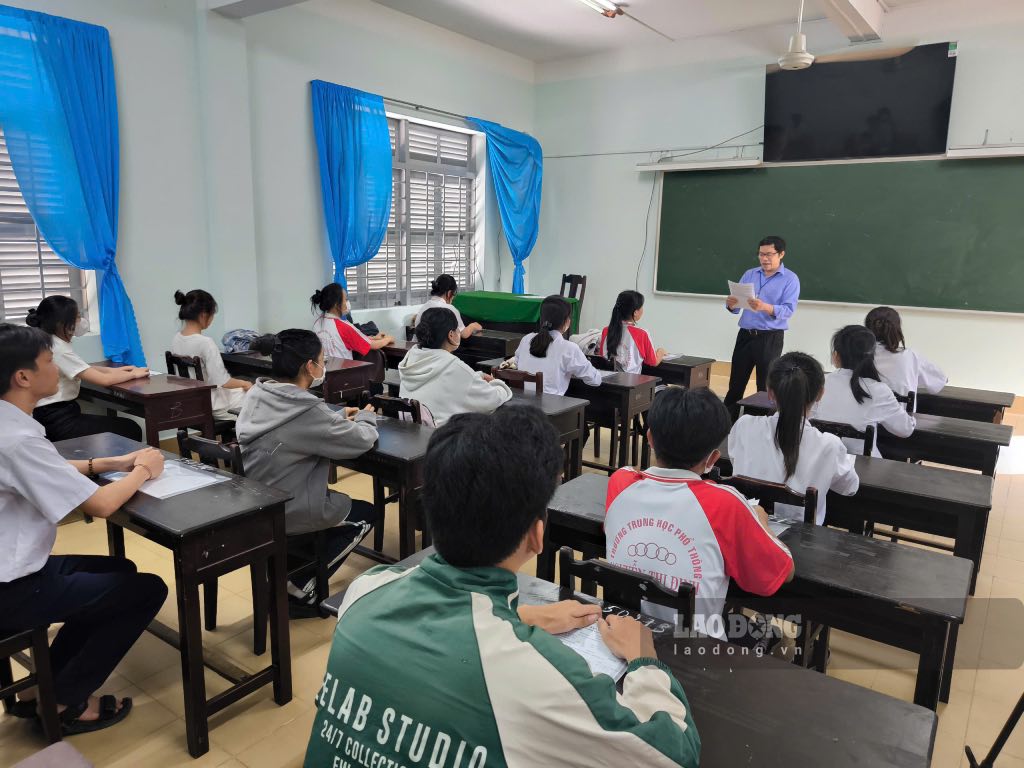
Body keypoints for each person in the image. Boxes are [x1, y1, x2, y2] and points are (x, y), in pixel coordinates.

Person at [305, 406, 701, 768]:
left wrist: (521, 616)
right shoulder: (532, 675)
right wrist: (645, 663)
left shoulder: (365, 590)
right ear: (537, 535)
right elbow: (673, 755)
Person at [0, 323, 168, 735]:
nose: (56, 369)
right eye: (47, 362)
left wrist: (108, 464)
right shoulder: (16, 438)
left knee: (118, 572)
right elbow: (102, 505)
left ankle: (40, 686)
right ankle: (63, 701)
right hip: (12, 586)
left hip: (16, 567)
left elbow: (42, 468)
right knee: (148, 590)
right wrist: (144, 470)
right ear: (23, 377)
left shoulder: (9, 424)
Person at [605, 387, 794, 641]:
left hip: (625, 635)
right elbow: (781, 573)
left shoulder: (620, 483)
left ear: (649, 438)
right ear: (713, 458)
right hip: (694, 651)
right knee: (782, 641)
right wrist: (760, 518)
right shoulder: (724, 503)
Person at [235, 329, 379, 614]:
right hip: (292, 508)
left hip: (259, 503)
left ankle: (294, 570)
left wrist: (336, 417)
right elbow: (361, 440)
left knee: (339, 503)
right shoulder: (305, 411)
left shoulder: (259, 393)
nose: (324, 367)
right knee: (366, 514)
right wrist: (366, 417)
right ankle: (302, 585)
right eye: (322, 360)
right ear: (309, 367)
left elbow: (296, 430)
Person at [729, 352, 859, 525]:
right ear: (820, 394)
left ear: (769, 392)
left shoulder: (744, 426)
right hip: (800, 541)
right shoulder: (829, 445)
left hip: (745, 527)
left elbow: (735, 461)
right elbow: (849, 488)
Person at [27, 296, 147, 442]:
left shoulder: (47, 341)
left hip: (47, 415)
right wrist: (134, 374)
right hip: (58, 420)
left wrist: (117, 371)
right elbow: (103, 380)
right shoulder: (59, 348)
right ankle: (119, 464)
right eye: (77, 318)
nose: (81, 322)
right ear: (61, 323)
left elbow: (83, 368)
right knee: (130, 428)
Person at [723, 236, 801, 420]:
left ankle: (757, 425)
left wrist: (765, 307)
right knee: (735, 384)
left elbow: (788, 310)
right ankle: (725, 423)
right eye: (761, 254)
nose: (764, 258)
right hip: (745, 336)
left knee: (764, 386)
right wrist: (731, 305)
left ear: (781, 254)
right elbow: (736, 306)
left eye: (769, 254)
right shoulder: (750, 274)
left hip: (770, 338)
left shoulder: (790, 279)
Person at [813, 325, 916, 457]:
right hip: (862, 466)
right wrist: (912, 419)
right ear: (871, 356)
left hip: (822, 459)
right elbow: (905, 430)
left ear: (836, 357)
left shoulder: (819, 382)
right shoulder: (878, 390)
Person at [399, 308, 512, 426]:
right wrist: (497, 384)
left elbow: (447, 384)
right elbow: (492, 400)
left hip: (413, 432)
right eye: (457, 328)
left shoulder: (411, 358)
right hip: (442, 438)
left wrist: (476, 376)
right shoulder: (453, 366)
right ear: (451, 334)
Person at [170, 289, 251, 419]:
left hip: (188, 402)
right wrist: (245, 383)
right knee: (256, 396)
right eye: (212, 315)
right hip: (211, 404)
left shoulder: (176, 338)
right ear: (203, 315)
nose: (212, 319)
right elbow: (223, 381)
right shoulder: (206, 343)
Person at [514, 295, 602, 396]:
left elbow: (517, 363)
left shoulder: (527, 339)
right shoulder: (569, 348)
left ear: (541, 318)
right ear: (567, 322)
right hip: (551, 409)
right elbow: (595, 380)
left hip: (522, 405)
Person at [865, 306, 947, 410]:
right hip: (900, 423)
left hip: (864, 423)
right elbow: (939, 381)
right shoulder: (910, 356)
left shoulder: (857, 356)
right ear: (897, 330)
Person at [310, 283, 394, 361]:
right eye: (345, 299)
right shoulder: (343, 326)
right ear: (336, 304)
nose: (347, 303)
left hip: (323, 373)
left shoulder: (317, 323)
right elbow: (373, 346)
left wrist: (374, 337)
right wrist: (388, 339)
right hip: (344, 373)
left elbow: (346, 339)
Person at [597, 290, 667, 373]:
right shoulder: (642, 333)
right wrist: (661, 351)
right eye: (641, 306)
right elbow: (653, 361)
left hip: (608, 381)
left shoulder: (607, 330)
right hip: (631, 383)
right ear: (635, 312)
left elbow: (602, 355)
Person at [413, 273, 482, 339]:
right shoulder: (449, 309)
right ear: (449, 293)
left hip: (418, 348)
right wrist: (473, 326)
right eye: (454, 294)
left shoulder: (425, 306)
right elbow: (463, 334)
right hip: (435, 349)